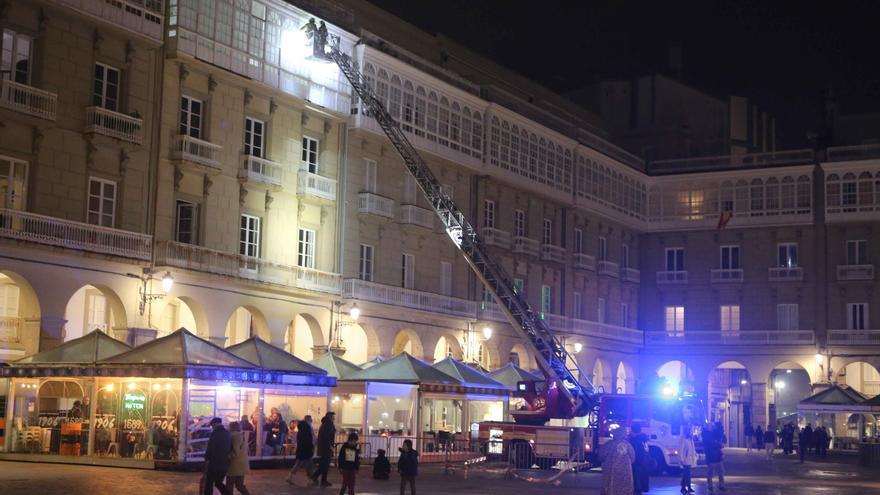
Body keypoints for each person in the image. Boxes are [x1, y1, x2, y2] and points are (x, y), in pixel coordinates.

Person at [600, 427, 635, 495]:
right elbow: (633, 457)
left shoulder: (608, 444)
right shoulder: (627, 445)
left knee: (610, 486)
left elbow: (601, 455)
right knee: (625, 487)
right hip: (625, 471)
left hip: (611, 470)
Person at [203, 417, 232, 495]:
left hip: (214, 463)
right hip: (224, 463)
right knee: (218, 482)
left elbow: (210, 448)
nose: (212, 427)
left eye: (212, 425)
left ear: (215, 424)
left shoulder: (215, 434)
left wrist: (206, 460)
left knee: (209, 483)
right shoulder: (228, 433)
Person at [287, 415, 315, 485]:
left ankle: (290, 477)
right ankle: (310, 479)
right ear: (308, 420)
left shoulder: (301, 428)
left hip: (301, 449)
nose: (311, 421)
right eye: (310, 419)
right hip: (306, 450)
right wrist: (311, 447)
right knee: (308, 464)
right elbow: (309, 439)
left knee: (300, 464)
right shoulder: (307, 428)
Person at [311, 411, 336, 487]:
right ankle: (323, 480)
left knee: (323, 464)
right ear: (330, 417)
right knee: (325, 464)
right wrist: (330, 446)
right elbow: (327, 437)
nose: (334, 418)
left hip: (323, 448)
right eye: (333, 416)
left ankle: (315, 476)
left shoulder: (324, 424)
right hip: (326, 448)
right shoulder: (329, 424)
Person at [226, 421, 251, 495]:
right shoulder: (241, 436)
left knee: (229, 486)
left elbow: (235, 451)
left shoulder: (234, 436)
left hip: (234, 465)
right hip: (242, 464)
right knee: (239, 485)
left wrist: (226, 456)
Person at [703, 423, 727, 493]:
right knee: (711, 472)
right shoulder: (706, 435)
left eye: (713, 426)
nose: (712, 427)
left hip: (717, 456)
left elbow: (720, 436)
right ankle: (710, 486)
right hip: (711, 456)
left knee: (721, 472)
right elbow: (711, 444)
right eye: (711, 426)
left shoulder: (713, 433)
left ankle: (721, 485)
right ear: (708, 427)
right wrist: (718, 444)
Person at [628, 424, 650, 494]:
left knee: (636, 477)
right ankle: (643, 488)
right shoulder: (643, 438)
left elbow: (634, 452)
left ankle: (637, 490)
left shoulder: (635, 440)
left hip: (636, 461)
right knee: (643, 475)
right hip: (644, 461)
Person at [679, 429, 697, 494]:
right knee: (687, 474)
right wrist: (681, 459)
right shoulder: (684, 441)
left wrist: (695, 456)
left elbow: (693, 450)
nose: (692, 434)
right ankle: (686, 487)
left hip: (690, 459)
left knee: (686, 474)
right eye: (691, 433)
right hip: (686, 460)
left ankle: (684, 487)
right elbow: (681, 450)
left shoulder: (691, 441)